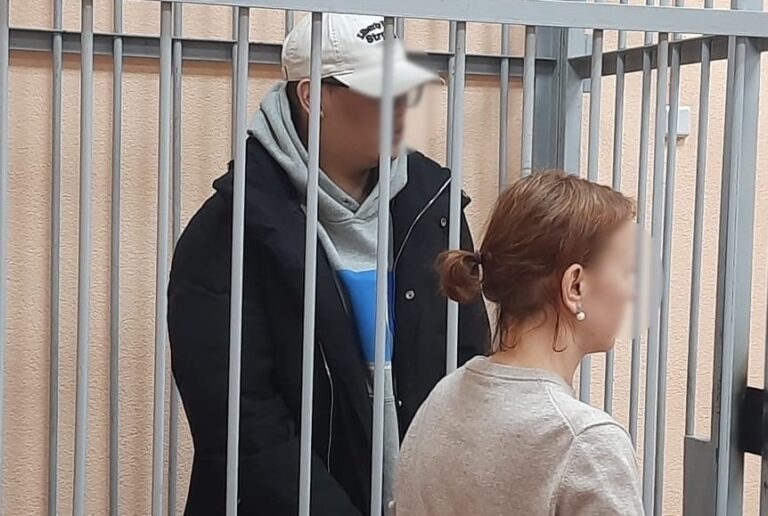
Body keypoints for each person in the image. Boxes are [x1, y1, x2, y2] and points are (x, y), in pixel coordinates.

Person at [167, 13, 490, 516]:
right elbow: (242, 424)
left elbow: (469, 368)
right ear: (313, 96)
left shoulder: (435, 208)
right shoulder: (230, 228)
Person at [394, 171, 644, 515]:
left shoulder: (440, 401)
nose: (632, 292)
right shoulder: (586, 442)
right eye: (626, 271)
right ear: (575, 286)